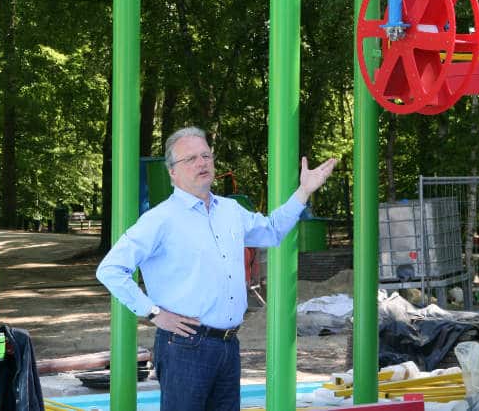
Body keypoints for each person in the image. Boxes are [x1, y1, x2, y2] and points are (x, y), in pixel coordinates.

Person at [96, 126, 338, 411]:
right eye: (190, 159)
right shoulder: (160, 220)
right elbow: (110, 269)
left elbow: (272, 231)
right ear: (172, 172)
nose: (201, 163)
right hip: (184, 347)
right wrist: (153, 313)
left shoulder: (230, 210)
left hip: (228, 345)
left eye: (206, 156)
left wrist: (303, 191)